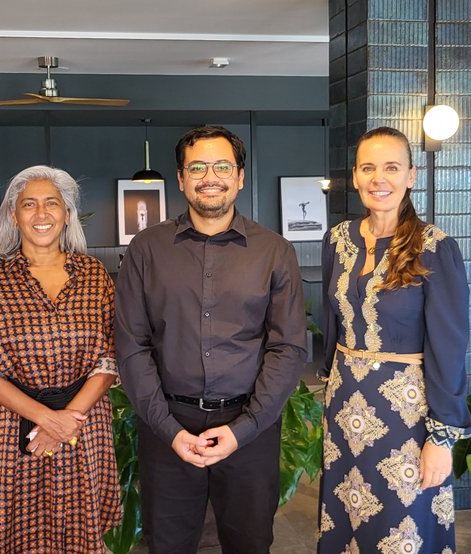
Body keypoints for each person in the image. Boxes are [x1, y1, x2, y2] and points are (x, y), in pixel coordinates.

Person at [116, 125, 307, 553]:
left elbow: (288, 347)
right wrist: (167, 429)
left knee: (250, 542)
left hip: (250, 429)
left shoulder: (275, 251)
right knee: (167, 544)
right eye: (197, 166)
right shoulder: (146, 249)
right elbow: (132, 345)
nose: (210, 176)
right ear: (181, 179)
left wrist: (246, 428)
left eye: (222, 165)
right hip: (168, 425)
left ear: (240, 176)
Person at [317, 127, 471, 553]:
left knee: (401, 529)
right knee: (346, 518)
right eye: (368, 168)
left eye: (391, 167)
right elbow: (332, 327)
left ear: (411, 175)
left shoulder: (435, 247)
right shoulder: (337, 240)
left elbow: (450, 347)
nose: (378, 178)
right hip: (345, 404)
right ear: (354, 176)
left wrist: (441, 438)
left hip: (406, 411)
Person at [0, 165, 120, 553]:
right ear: (13, 215)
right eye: (29, 204)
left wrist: (67, 419)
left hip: (83, 423)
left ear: (67, 214)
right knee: (18, 531)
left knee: (81, 531)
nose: (42, 214)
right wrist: (48, 419)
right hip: (14, 425)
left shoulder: (95, 275)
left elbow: (108, 356)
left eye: (52, 203)